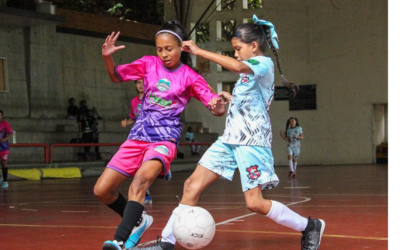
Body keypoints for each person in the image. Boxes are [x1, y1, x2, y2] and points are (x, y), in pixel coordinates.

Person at [132, 15, 325, 250]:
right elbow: (253, 102)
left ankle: (309, 226)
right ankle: (166, 243)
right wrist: (228, 100)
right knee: (191, 185)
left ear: (253, 46)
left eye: (237, 48)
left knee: (254, 203)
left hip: (252, 141)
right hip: (230, 139)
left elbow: (235, 66)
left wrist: (199, 51)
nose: (235, 54)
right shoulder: (247, 73)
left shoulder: (263, 64)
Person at [95, 19, 226, 250]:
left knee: (140, 181)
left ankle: (120, 240)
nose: (164, 54)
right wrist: (107, 57)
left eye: (169, 49)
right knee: (102, 190)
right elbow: (116, 76)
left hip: (164, 139)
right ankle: (139, 220)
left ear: (181, 48)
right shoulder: (148, 64)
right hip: (138, 135)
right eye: (159, 49)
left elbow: (215, 106)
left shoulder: (190, 76)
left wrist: (218, 106)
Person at [121, 79, 152, 204]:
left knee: (147, 165)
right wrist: (127, 122)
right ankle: (146, 194)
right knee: (139, 166)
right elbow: (134, 117)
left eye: (143, 82)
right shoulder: (134, 101)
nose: (141, 85)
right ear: (135, 85)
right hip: (138, 136)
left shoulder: (152, 98)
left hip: (152, 135)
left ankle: (163, 169)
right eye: (138, 82)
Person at [0, 110, 14, 189]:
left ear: (2, 116)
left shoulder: (5, 124)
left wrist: (5, 139)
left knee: (4, 163)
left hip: (4, 147)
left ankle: (5, 181)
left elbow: (11, 133)